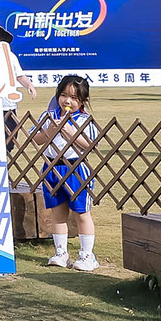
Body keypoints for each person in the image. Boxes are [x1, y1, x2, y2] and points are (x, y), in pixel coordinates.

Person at [30, 75, 100, 271]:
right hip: (52, 168)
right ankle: (61, 253)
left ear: (83, 100)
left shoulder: (85, 120)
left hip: (76, 169)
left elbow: (91, 144)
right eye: (63, 95)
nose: (67, 101)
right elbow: (35, 138)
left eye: (74, 98)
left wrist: (70, 131)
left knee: (81, 213)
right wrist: (51, 130)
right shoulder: (48, 116)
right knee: (57, 212)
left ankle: (87, 256)